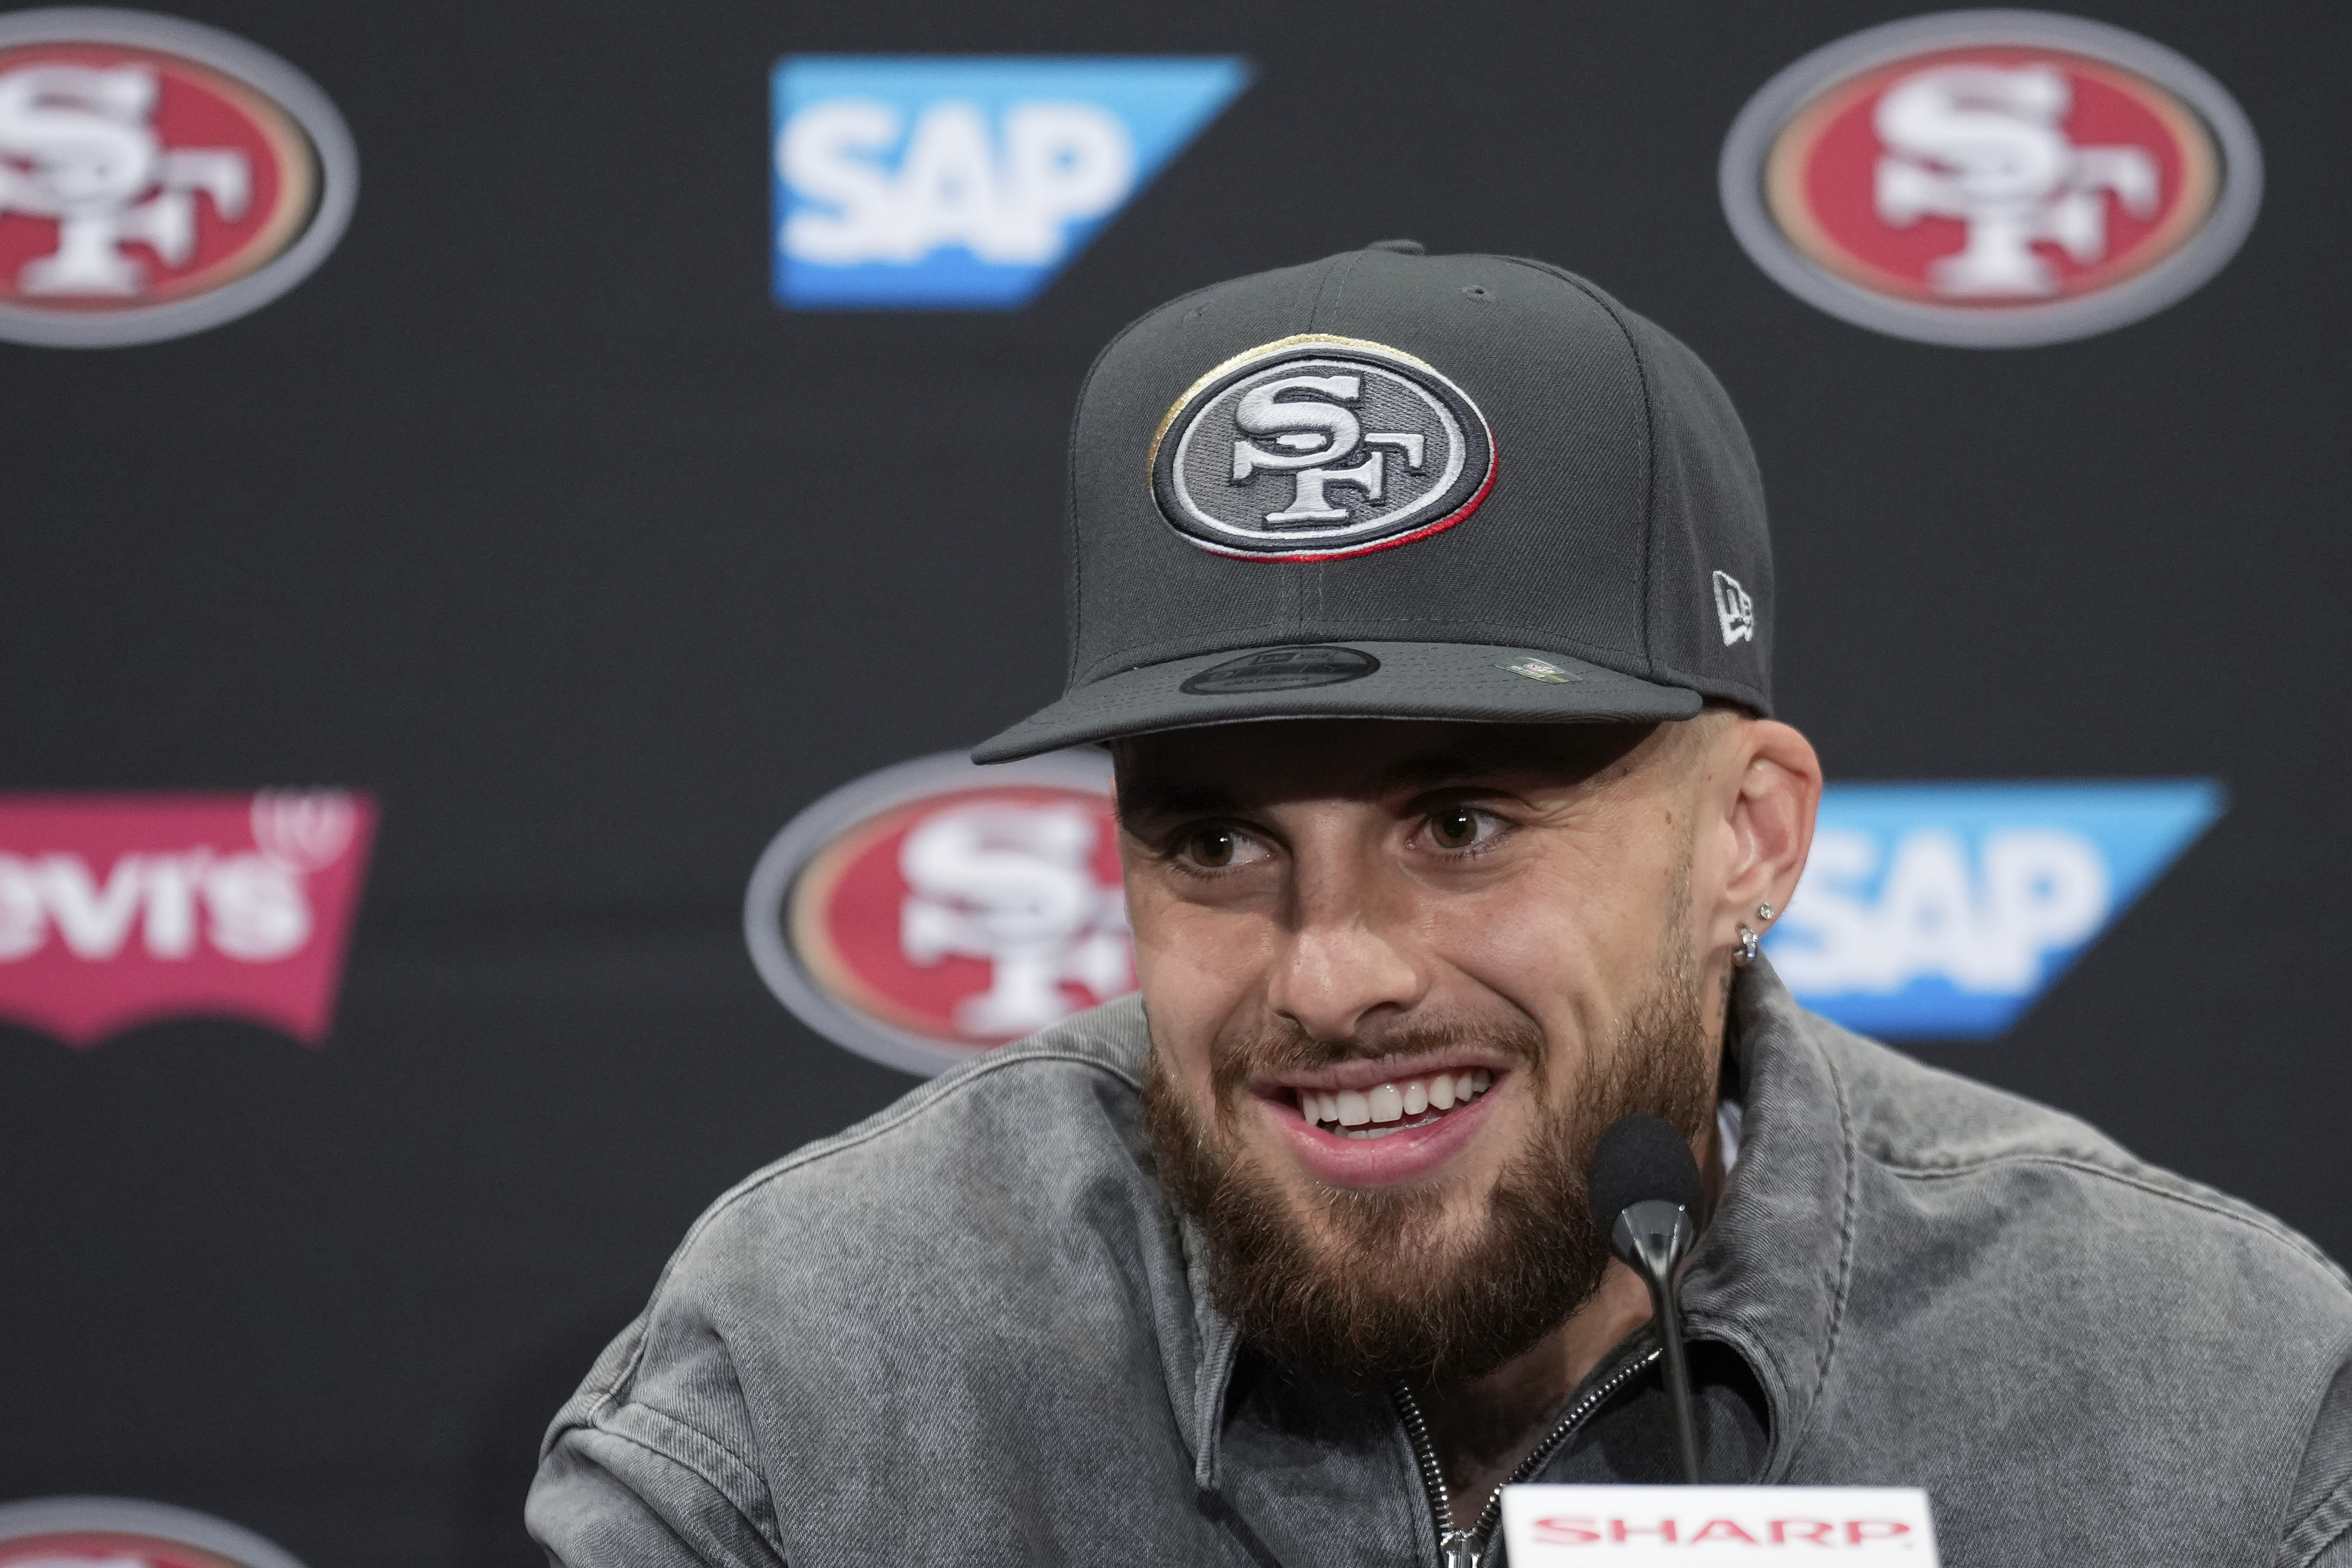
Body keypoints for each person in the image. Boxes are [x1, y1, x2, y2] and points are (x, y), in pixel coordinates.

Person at [526, 244, 2352, 1568]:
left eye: (1462, 822)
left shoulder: (2200, 1392)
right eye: (1215, 846)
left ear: (1749, 837)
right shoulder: (822, 1362)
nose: (1331, 976)